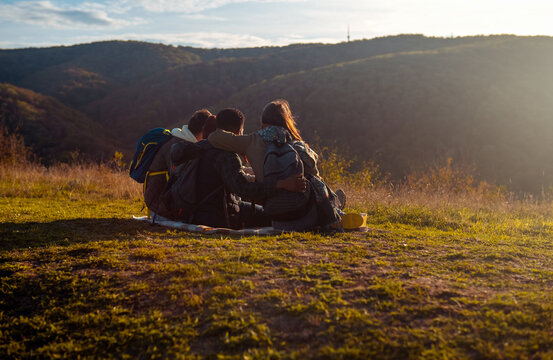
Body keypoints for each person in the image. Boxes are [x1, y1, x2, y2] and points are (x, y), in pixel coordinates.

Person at [208, 99, 360, 231]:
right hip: (303, 208)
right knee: (315, 183)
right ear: (286, 122)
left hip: (276, 211)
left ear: (263, 122)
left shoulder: (251, 141)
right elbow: (315, 177)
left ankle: (335, 208)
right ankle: (334, 209)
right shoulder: (297, 144)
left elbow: (214, 137)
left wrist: (241, 147)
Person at [169, 108, 306, 229]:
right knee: (273, 217)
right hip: (219, 217)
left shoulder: (201, 146)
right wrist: (282, 184)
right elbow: (244, 190)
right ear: (238, 131)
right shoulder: (226, 156)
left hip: (193, 211)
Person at [145, 109, 211, 218]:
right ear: (203, 131)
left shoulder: (179, 140)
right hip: (160, 203)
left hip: (161, 198)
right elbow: (181, 180)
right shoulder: (179, 146)